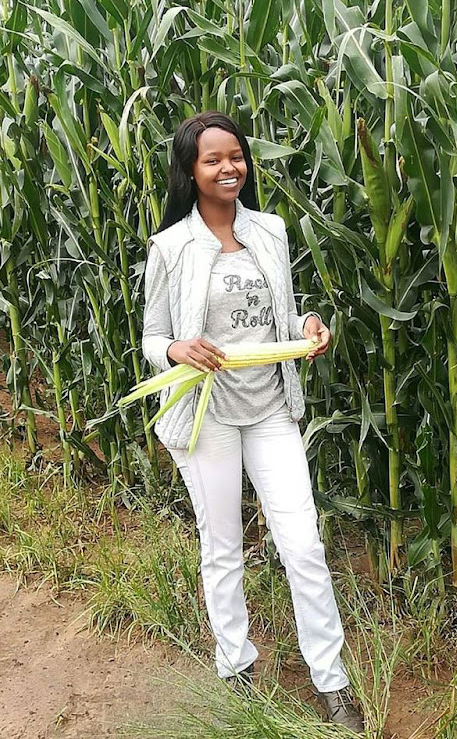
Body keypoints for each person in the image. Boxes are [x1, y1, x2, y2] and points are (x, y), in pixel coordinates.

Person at [141, 111, 365, 733]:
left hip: (269, 408)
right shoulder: (171, 247)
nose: (227, 167)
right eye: (212, 159)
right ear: (190, 170)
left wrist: (308, 328)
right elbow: (152, 338)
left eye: (235, 156)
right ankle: (234, 664)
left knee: (303, 545)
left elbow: (279, 318)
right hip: (206, 415)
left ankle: (332, 681)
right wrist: (179, 350)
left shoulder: (270, 231)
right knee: (225, 546)